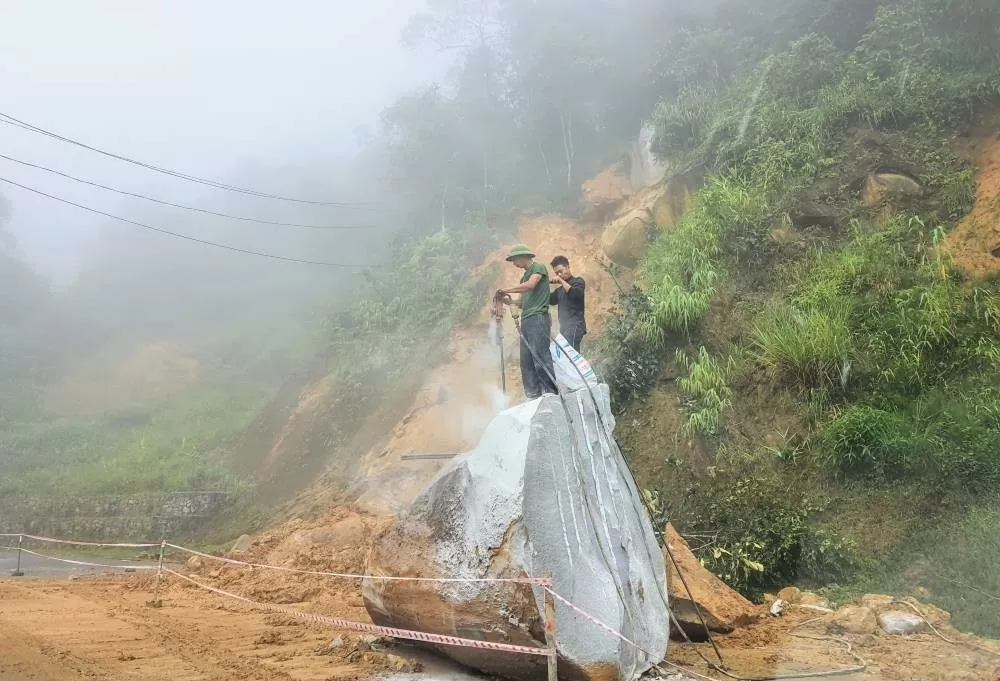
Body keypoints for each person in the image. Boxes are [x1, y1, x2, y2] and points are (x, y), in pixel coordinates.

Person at [500, 243, 558, 399]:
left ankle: (551, 393)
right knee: (526, 360)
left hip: (538, 317)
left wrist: (507, 289)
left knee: (540, 355)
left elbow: (531, 285)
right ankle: (534, 395)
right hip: (526, 319)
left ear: (523, 256)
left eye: (515, 259)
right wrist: (507, 301)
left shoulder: (538, 268)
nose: (514, 263)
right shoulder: (524, 277)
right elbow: (521, 303)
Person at [548, 255, 587, 352]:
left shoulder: (578, 281)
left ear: (568, 267)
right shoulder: (560, 290)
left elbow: (576, 294)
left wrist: (560, 281)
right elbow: (551, 300)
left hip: (575, 325)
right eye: (557, 273)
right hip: (564, 327)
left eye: (561, 271)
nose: (559, 275)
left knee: (572, 355)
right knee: (567, 356)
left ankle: (577, 368)